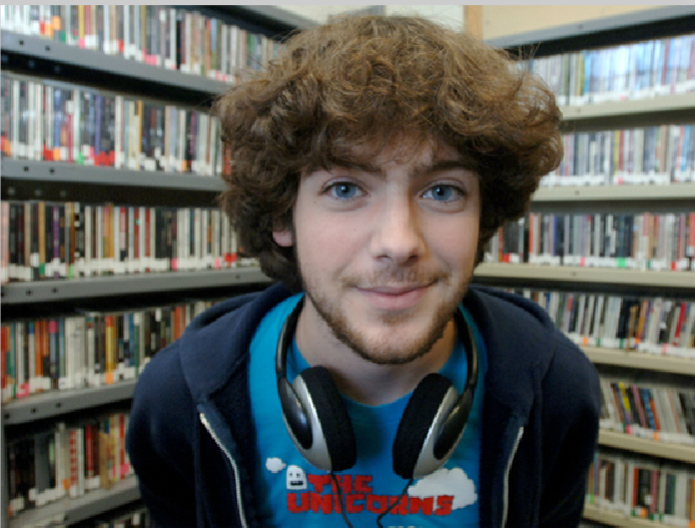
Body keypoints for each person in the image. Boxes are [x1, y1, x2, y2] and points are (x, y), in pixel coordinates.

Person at [126, 14, 601, 528]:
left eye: (442, 191)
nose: (398, 243)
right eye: (346, 189)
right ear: (285, 214)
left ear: (483, 214)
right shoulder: (179, 402)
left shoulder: (556, 391)